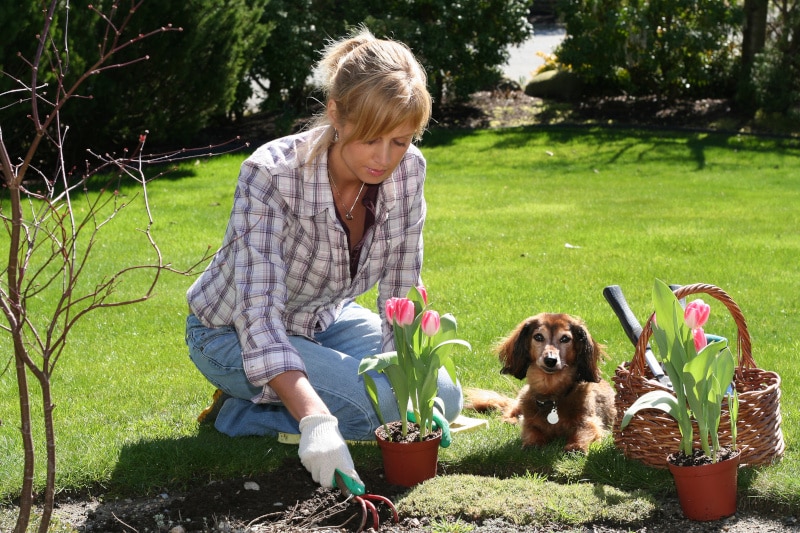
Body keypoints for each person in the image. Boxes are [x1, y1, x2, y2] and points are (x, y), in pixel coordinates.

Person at [185, 27, 463, 492]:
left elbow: (400, 286)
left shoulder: (409, 170)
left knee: (443, 397)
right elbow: (258, 315)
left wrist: (410, 383)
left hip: (321, 318)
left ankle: (263, 404)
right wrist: (315, 420)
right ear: (336, 114)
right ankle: (245, 411)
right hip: (231, 333)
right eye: (372, 139)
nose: (385, 158)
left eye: (400, 140)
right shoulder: (270, 175)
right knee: (380, 408)